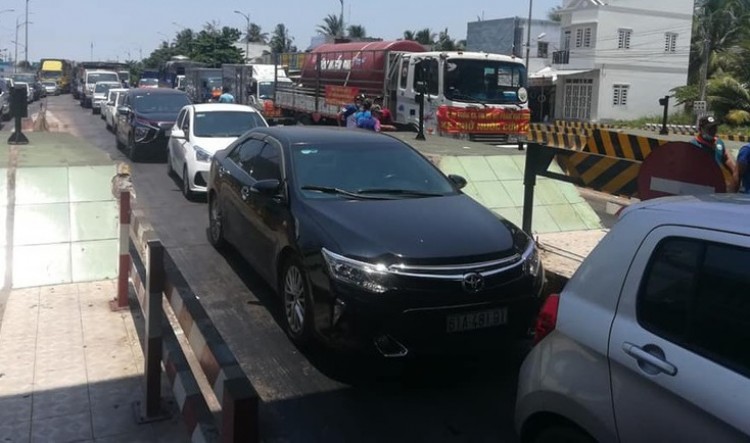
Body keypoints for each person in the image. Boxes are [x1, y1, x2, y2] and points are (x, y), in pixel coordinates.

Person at [690, 116, 740, 192]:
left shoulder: (719, 143)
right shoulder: (693, 145)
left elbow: (728, 160)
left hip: (718, 185)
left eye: (714, 128)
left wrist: (736, 174)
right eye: (709, 129)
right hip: (700, 186)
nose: (712, 131)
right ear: (700, 129)